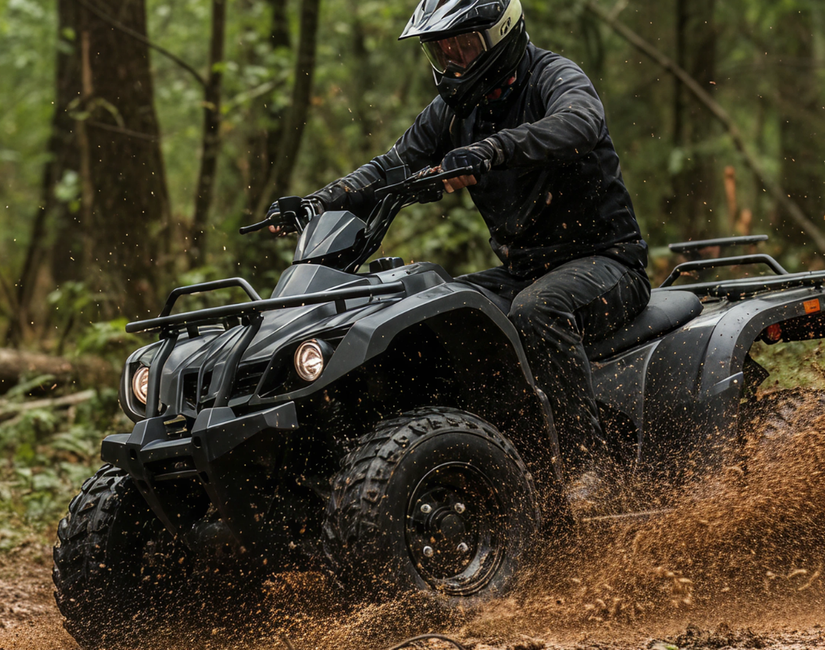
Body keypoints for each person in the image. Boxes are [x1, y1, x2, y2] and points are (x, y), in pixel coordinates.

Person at [277, 0, 649, 505]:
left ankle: (591, 469)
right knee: (433, 310)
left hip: (608, 262)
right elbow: (392, 166)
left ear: (503, 35)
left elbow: (580, 122)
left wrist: (492, 149)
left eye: (464, 43)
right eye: (440, 47)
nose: (452, 57)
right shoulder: (452, 112)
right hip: (522, 271)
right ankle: (477, 466)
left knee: (538, 311)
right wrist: (321, 200)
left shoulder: (551, 75)